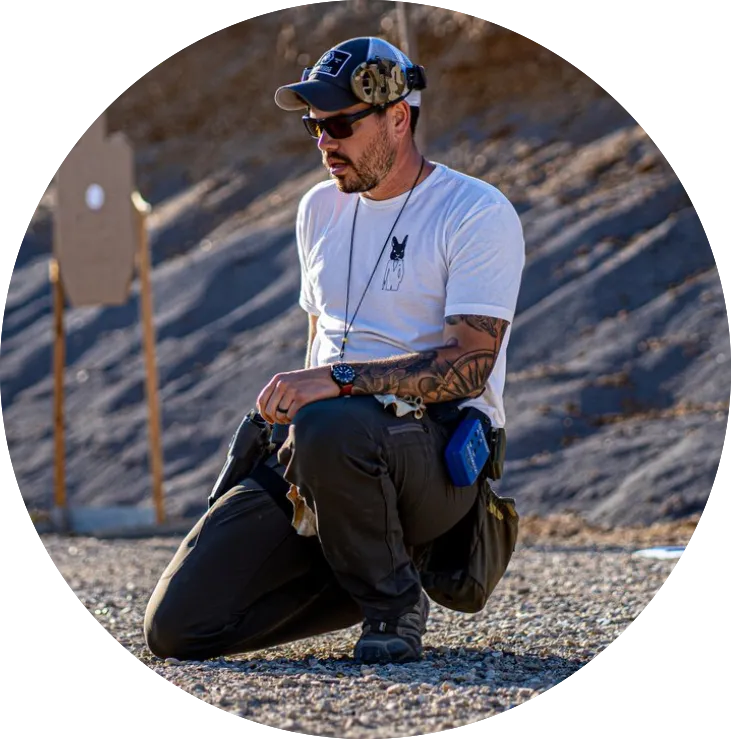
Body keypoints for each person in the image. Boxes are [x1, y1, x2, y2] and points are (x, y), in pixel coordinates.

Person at [143, 36, 525, 666]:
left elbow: (469, 366)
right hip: (327, 451)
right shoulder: (317, 208)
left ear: (398, 118)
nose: (324, 142)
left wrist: (338, 382)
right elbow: (321, 339)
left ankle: (394, 603)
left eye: (341, 124)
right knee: (177, 629)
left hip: (432, 459)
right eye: (314, 126)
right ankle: (366, 560)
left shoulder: (474, 211)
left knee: (329, 423)